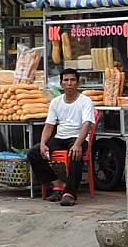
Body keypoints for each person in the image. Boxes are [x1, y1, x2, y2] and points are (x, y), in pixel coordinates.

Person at [27, 69, 95, 207]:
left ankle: (70, 193)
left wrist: (77, 144)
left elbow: (87, 124)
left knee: (75, 154)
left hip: (78, 137)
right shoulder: (56, 102)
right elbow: (49, 126)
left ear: (77, 83)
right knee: (33, 153)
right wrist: (43, 144)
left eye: (72, 80)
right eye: (66, 80)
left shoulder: (85, 101)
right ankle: (57, 184)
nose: (69, 83)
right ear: (61, 83)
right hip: (60, 138)